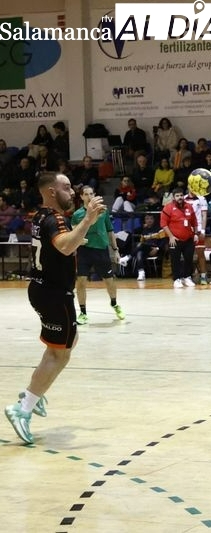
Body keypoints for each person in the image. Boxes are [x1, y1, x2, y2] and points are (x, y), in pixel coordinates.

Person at [4, 172, 106, 444]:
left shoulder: (40, 216)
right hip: (54, 294)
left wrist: (79, 234)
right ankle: (23, 408)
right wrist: (87, 220)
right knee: (60, 354)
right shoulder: (56, 219)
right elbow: (64, 246)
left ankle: (33, 393)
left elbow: (55, 245)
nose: (72, 192)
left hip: (42, 290)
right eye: (67, 187)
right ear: (51, 191)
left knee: (65, 345)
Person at [72, 185, 125, 325]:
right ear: (82, 197)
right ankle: (83, 313)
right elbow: (74, 232)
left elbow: (110, 231)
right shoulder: (77, 215)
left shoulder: (103, 211)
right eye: (86, 194)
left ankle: (114, 303)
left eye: (91, 193)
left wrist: (115, 249)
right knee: (81, 282)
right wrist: (78, 241)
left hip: (101, 250)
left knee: (109, 281)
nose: (89, 196)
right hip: (84, 251)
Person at [160, 187, 198, 288]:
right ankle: (176, 279)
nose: (180, 197)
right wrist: (171, 237)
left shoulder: (189, 206)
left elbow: (194, 222)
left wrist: (196, 234)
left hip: (189, 238)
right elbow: (163, 224)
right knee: (175, 260)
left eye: (181, 195)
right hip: (174, 239)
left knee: (189, 258)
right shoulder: (168, 208)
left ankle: (187, 278)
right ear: (173, 197)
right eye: (177, 196)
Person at [185, 188, 210, 284]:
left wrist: (203, 230)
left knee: (200, 253)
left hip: (198, 229)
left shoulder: (202, 198)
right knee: (187, 255)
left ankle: (203, 276)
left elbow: (204, 215)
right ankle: (188, 276)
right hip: (186, 229)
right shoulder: (183, 198)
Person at [134, 213, 166, 281]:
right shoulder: (144, 230)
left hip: (156, 249)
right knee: (139, 252)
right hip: (146, 248)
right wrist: (142, 227)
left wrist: (157, 249)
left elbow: (164, 241)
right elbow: (136, 233)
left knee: (140, 247)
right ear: (144, 221)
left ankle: (129, 257)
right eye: (147, 219)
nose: (149, 220)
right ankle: (141, 273)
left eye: (151, 218)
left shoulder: (159, 229)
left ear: (154, 220)